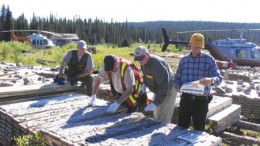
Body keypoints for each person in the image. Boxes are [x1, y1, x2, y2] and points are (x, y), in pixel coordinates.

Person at [174, 33, 222, 131]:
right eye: (195, 47)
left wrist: (211, 80)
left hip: (201, 101)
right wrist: (178, 87)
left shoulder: (209, 60)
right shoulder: (184, 60)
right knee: (181, 128)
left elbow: (219, 78)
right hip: (185, 100)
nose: (197, 49)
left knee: (199, 130)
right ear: (190, 43)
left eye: (199, 47)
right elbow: (177, 79)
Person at [132, 46, 177, 124]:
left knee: (162, 118)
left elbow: (164, 87)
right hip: (158, 90)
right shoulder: (144, 62)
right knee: (156, 115)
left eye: (141, 58)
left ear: (147, 54)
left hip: (168, 90)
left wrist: (155, 103)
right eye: (138, 59)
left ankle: (161, 134)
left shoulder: (158, 65)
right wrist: (144, 84)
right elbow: (146, 75)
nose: (140, 62)